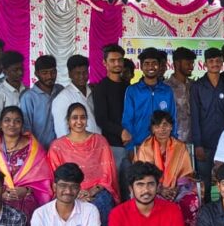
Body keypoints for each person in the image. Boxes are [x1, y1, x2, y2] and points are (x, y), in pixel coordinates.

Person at [47, 102, 119, 226]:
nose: (79, 122)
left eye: (83, 117)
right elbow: (55, 179)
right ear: (68, 121)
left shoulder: (100, 141)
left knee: (102, 203)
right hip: (67, 190)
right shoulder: (57, 146)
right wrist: (75, 192)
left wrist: (92, 191)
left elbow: (107, 174)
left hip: (97, 191)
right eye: (75, 118)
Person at [0, 105, 54, 220]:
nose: (12, 124)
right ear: (0, 124)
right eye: (7, 120)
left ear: (22, 125)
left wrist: (27, 190)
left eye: (17, 121)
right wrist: (0, 192)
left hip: (27, 202)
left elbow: (45, 180)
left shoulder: (34, 149)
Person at [135, 111, 201, 226]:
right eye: (158, 126)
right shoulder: (145, 148)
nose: (162, 129)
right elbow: (141, 175)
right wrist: (160, 189)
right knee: (153, 203)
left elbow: (187, 173)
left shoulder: (180, 147)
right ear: (152, 129)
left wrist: (175, 188)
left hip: (178, 188)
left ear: (171, 127)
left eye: (165, 125)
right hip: (152, 189)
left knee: (191, 201)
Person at [190, 47, 224, 202]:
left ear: (222, 63)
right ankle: (205, 212)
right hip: (204, 143)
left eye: (218, 61)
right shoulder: (197, 86)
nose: (215, 64)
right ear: (205, 64)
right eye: (211, 61)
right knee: (204, 182)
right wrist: (198, 144)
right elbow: (195, 116)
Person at [122, 47, 176, 154]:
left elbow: (173, 119)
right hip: (139, 146)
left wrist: (172, 144)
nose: (150, 67)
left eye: (154, 63)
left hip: (163, 147)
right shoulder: (132, 91)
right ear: (141, 66)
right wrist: (131, 148)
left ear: (159, 66)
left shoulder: (167, 91)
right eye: (146, 63)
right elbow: (127, 121)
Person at [93, 44, 130, 172]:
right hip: (113, 145)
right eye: (112, 60)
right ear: (105, 63)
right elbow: (101, 119)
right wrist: (121, 132)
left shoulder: (128, 86)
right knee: (115, 180)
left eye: (120, 60)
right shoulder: (101, 88)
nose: (117, 63)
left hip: (132, 143)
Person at [19, 54, 64, 150]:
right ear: (37, 74)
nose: (50, 76)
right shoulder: (28, 97)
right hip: (39, 151)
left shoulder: (61, 90)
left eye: (53, 72)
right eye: (45, 73)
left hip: (61, 149)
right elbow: (26, 129)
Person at [52, 54, 100, 139]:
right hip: (79, 145)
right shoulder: (62, 99)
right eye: (77, 73)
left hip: (98, 142)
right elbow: (62, 132)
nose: (82, 76)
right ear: (69, 74)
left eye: (85, 72)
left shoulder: (94, 92)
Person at [0, 50, 27, 140]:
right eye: (15, 70)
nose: (20, 73)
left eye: (21, 69)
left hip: (25, 140)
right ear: (5, 71)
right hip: (7, 142)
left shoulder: (27, 91)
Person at [165, 47, 195, 143]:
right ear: (177, 64)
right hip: (172, 141)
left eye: (192, 64)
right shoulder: (165, 87)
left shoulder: (194, 86)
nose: (191, 67)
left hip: (193, 141)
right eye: (188, 64)